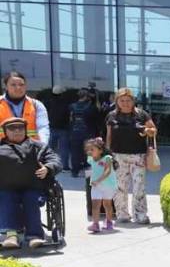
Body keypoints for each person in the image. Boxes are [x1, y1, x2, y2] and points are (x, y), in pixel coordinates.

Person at [0, 117, 62, 249]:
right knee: (6, 199)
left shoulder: (38, 146)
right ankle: (11, 235)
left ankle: (34, 235)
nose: (17, 131)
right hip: (6, 188)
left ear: (25, 130)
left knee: (31, 200)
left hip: (34, 187)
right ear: (5, 131)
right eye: (12, 128)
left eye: (20, 128)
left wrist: (48, 168)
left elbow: (55, 160)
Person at [106, 87, 157, 225]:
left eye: (128, 100)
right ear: (117, 101)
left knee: (138, 186)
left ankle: (140, 214)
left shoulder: (142, 114)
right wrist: (107, 154)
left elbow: (153, 130)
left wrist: (147, 131)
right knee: (120, 186)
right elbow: (109, 135)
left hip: (138, 156)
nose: (125, 103)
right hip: (118, 155)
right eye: (122, 100)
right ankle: (122, 214)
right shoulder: (112, 115)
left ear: (133, 101)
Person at [1, 71, 51, 145]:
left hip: (30, 150)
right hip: (3, 150)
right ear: (5, 86)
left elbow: (43, 127)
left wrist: (42, 145)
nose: (18, 88)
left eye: (21, 85)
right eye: (13, 85)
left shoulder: (36, 105)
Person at [84, 137, 116, 233]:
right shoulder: (90, 158)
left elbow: (107, 171)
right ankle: (96, 224)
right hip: (96, 186)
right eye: (88, 149)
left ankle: (109, 221)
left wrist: (98, 180)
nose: (89, 151)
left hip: (108, 185)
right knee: (95, 205)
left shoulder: (107, 158)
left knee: (107, 204)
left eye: (92, 149)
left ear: (101, 151)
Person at [69, 88, 101, 177]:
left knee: (75, 152)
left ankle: (74, 171)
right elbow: (96, 120)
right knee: (90, 152)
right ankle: (90, 173)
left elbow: (70, 120)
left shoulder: (72, 106)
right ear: (87, 97)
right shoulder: (91, 107)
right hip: (88, 132)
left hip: (75, 132)